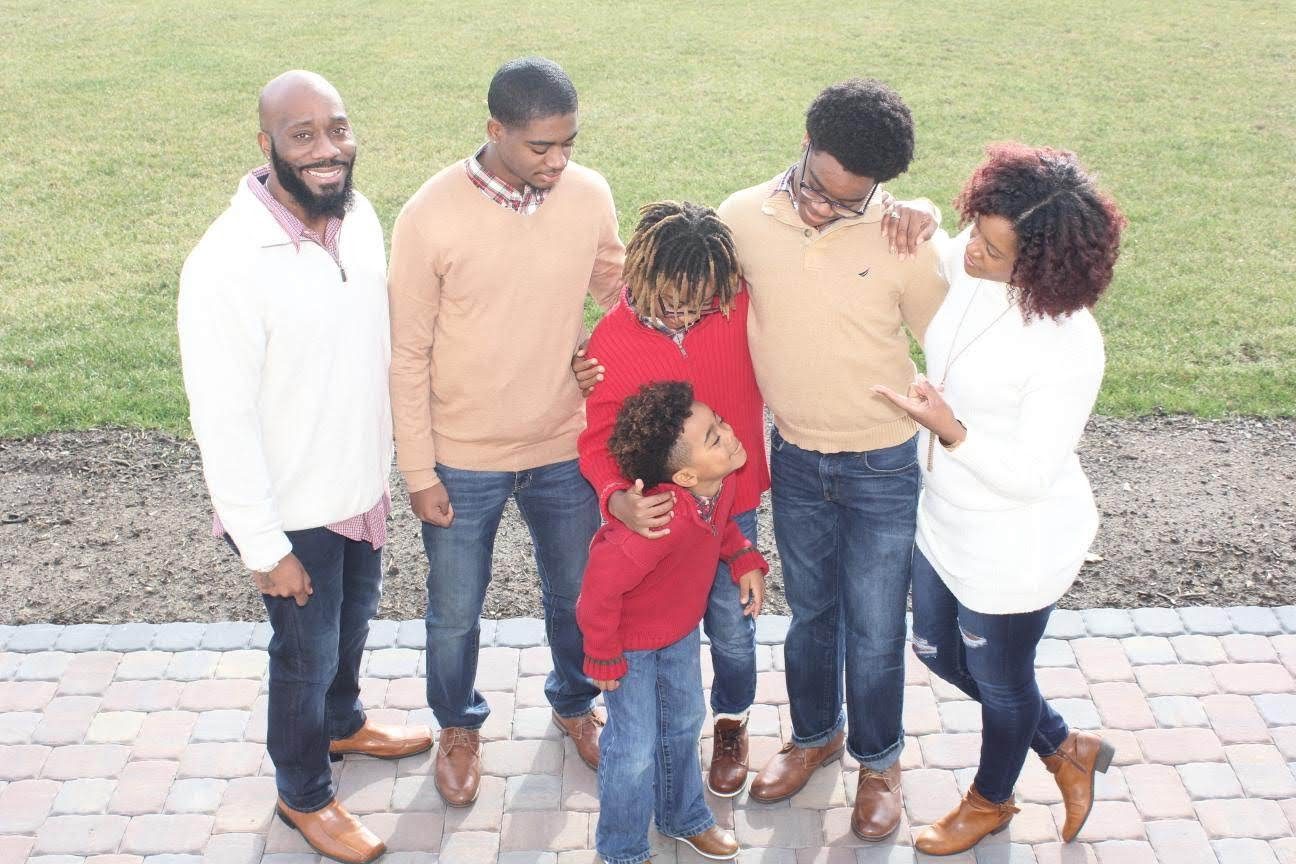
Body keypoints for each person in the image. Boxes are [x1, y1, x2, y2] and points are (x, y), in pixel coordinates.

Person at [178, 70, 431, 864]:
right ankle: (304, 792)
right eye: (303, 136)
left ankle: (343, 723)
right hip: (290, 511)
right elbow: (222, 420)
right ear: (267, 148)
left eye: (337, 129)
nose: (328, 150)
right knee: (304, 653)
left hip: (357, 484)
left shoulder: (358, 219)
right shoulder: (224, 265)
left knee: (351, 628)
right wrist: (264, 548)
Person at [873, 143, 1126, 855]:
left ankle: (991, 801)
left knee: (1002, 681)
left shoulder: (1068, 345)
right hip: (945, 516)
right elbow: (942, 248)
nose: (972, 252)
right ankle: (1064, 746)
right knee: (934, 649)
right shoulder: (979, 263)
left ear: (1041, 264)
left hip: (1015, 543)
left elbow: (1029, 473)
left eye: (991, 247)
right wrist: (921, 215)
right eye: (975, 230)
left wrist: (949, 430)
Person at [387, 56, 624, 806]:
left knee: (577, 594)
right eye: (540, 148)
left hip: (564, 446)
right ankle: (458, 724)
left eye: (568, 145)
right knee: (456, 610)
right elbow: (406, 352)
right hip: (463, 459)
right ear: (495, 131)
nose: (558, 162)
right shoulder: (430, 214)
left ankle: (576, 703)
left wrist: (603, 360)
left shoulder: (587, 195)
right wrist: (420, 472)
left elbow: (621, 293)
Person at [715, 78, 944, 841]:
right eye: (817, 187)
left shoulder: (906, 239)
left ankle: (880, 762)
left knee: (876, 627)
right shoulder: (742, 217)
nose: (824, 206)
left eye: (849, 202)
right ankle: (816, 736)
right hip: (798, 458)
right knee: (811, 615)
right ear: (806, 143)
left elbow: (953, 343)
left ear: (879, 188)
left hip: (883, 465)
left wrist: (934, 221)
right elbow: (691, 307)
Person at [573, 200, 767, 797]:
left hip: (732, 505)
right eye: (670, 297)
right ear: (640, 276)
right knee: (667, 630)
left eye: (699, 296)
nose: (684, 310)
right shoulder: (613, 341)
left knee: (734, 628)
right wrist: (614, 498)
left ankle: (732, 720)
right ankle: (659, 731)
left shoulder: (740, 313)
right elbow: (597, 441)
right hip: (659, 522)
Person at [578, 381, 768, 864]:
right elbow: (599, 585)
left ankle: (682, 815)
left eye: (720, 423)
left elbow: (719, 527)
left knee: (684, 722)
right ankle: (621, 848)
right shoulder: (656, 522)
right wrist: (601, 652)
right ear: (683, 476)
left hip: (679, 633)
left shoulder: (715, 487)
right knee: (634, 746)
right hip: (628, 648)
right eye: (713, 437)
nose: (728, 433)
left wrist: (742, 554)